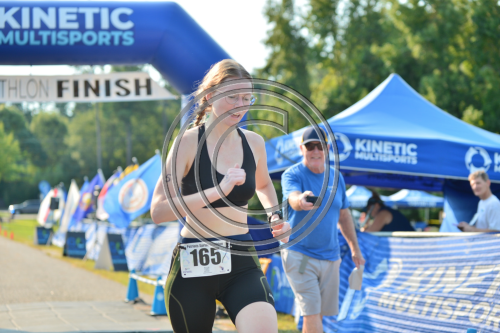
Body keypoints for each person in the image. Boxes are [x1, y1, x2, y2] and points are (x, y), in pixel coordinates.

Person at [151, 59, 291, 333]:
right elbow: (158, 211)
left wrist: (275, 215)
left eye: (246, 98)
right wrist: (218, 190)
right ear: (210, 96)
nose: (240, 105)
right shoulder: (187, 143)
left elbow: (263, 186)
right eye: (232, 97)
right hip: (194, 261)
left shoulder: (254, 143)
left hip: (241, 258)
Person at [281, 127, 365, 333]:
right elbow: (293, 199)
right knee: (311, 311)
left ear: (327, 149)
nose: (315, 151)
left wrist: (355, 248)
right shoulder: (292, 174)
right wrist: (301, 200)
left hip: (330, 257)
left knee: (318, 313)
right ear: (302, 149)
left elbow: (344, 216)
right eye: (310, 146)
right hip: (299, 254)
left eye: (319, 146)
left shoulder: (337, 178)